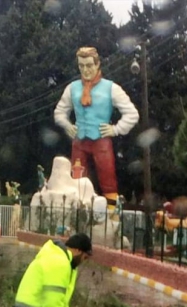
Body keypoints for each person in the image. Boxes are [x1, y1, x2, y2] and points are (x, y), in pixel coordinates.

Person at [54, 46, 139, 205]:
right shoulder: (72, 88)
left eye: (89, 65)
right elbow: (59, 112)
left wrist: (115, 129)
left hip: (101, 140)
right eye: (81, 66)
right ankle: (78, 210)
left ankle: (112, 213)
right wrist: (67, 125)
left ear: (97, 64)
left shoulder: (111, 88)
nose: (85, 70)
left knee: (108, 177)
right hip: (79, 141)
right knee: (77, 180)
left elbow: (132, 114)